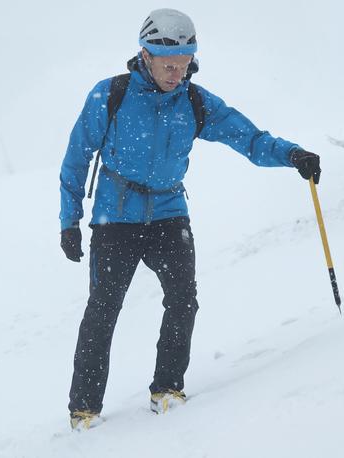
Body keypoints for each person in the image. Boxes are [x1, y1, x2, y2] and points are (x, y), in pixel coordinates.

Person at [59, 8, 321, 430]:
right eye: (168, 65)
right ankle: (84, 409)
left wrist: (293, 155)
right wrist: (68, 222)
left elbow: (249, 138)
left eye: (183, 65)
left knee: (183, 300)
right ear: (145, 55)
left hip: (168, 213)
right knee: (103, 310)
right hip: (116, 218)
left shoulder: (195, 102)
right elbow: (75, 159)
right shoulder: (110, 95)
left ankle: (167, 388)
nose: (176, 73)